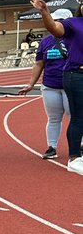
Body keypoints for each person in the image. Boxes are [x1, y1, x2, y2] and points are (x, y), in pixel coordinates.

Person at [31, 0, 83, 174]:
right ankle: (74, 157)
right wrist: (45, 11)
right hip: (76, 74)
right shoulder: (73, 23)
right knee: (77, 116)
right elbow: (54, 28)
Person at [17, 8, 72, 159]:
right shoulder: (46, 41)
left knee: (75, 116)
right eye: (55, 21)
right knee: (54, 118)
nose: (57, 23)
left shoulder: (75, 38)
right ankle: (51, 147)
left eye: (61, 21)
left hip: (71, 84)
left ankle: (78, 145)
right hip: (50, 85)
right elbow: (39, 64)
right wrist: (30, 84)